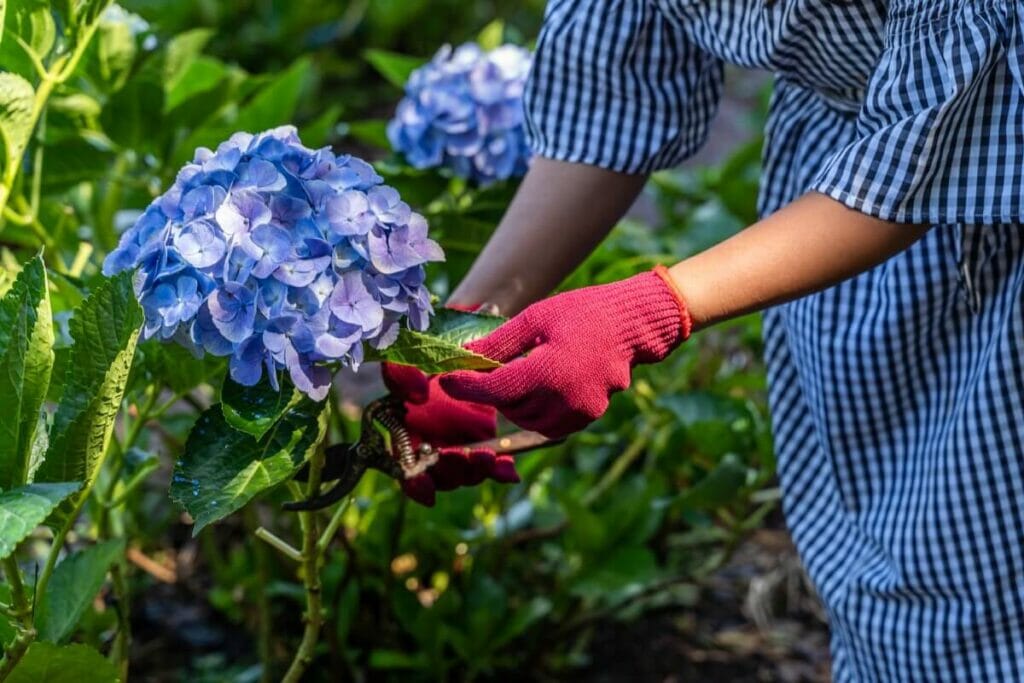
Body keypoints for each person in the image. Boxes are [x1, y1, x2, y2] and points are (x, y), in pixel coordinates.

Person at [386, 1, 1024, 679]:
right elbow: (614, 85)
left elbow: (955, 128)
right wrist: (468, 332)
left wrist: (651, 310)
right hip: (829, 206)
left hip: (976, 203)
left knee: (974, 584)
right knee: (881, 573)